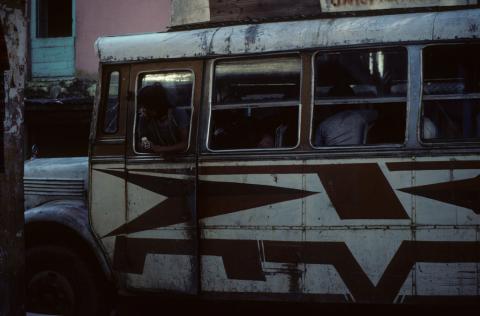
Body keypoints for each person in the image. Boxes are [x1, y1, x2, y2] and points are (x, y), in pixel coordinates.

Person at [136, 84, 189, 153]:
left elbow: (186, 144)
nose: (142, 110)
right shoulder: (144, 118)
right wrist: (147, 145)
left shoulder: (178, 114)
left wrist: (161, 149)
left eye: (146, 107)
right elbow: (142, 139)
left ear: (156, 106)